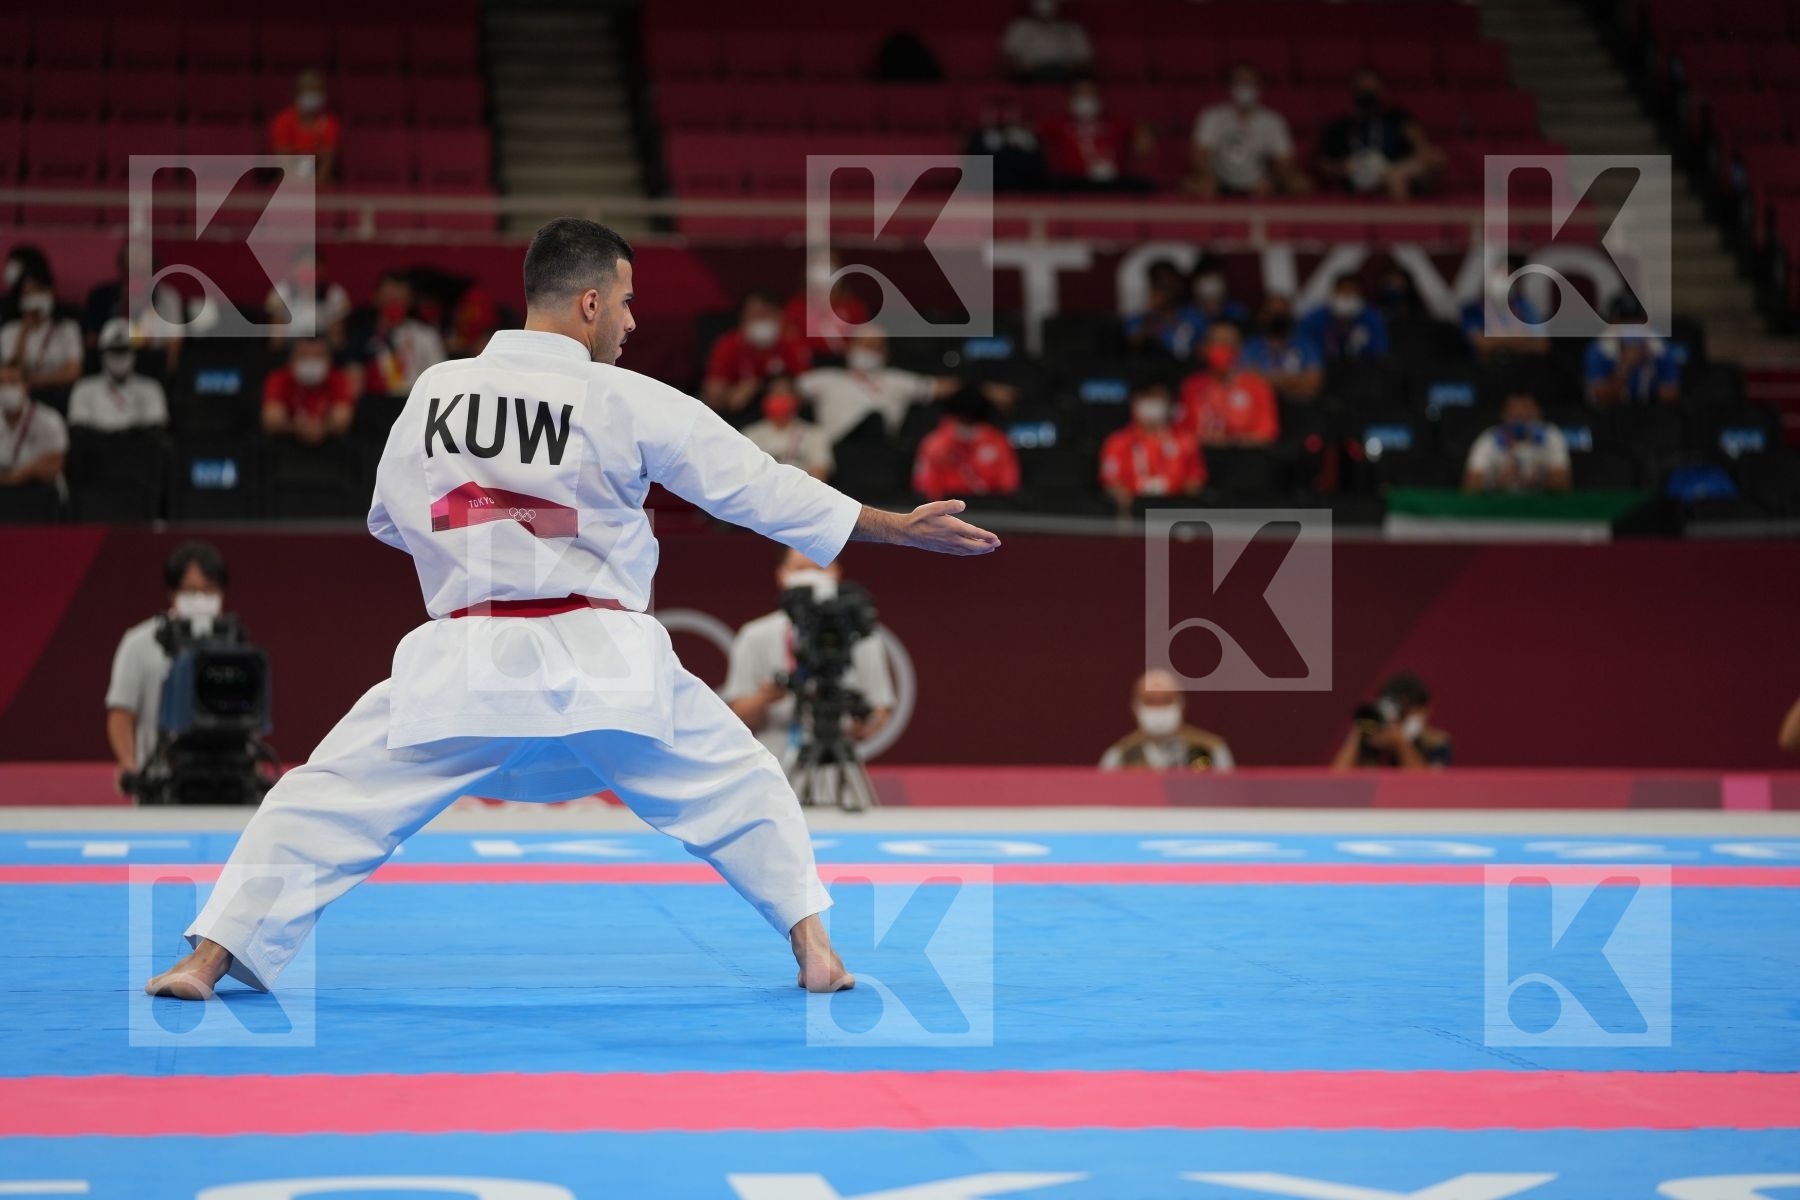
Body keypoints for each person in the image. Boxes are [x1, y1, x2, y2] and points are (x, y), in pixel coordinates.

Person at [144, 217, 1001, 1003]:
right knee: (743, 785)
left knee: (324, 799)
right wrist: (888, 528)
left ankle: (206, 958)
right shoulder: (620, 397)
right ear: (591, 301)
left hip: (465, 661)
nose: (630, 323)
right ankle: (817, 950)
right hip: (608, 663)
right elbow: (754, 484)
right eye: (625, 303)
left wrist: (488, 533)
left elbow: (388, 517)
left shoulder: (438, 389)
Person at [723, 548, 897, 769]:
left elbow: (879, 709)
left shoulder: (861, 636)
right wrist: (765, 697)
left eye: (819, 568)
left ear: (836, 573)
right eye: (800, 569)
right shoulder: (754, 635)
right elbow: (737, 716)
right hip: (773, 765)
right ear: (782, 575)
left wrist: (865, 723)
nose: (810, 577)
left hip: (838, 764)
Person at [105, 542, 229, 796]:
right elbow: (121, 713)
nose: (200, 599)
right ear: (173, 593)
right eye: (191, 590)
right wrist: (130, 766)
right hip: (160, 782)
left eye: (209, 590)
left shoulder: (232, 644)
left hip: (223, 784)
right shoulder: (140, 642)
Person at [794, 328, 1001, 445]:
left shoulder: (896, 380)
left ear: (886, 354)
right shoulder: (826, 378)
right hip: (834, 447)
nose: (867, 351)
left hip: (880, 448)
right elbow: (786, 389)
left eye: (874, 347)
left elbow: (942, 386)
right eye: (863, 345)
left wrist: (987, 390)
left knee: (875, 419)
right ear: (850, 348)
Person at [1315, 68, 1444, 199]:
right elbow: (1323, 164)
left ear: (1381, 91)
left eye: (1372, 91)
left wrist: (1399, 169)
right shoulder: (1340, 126)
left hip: (1394, 170)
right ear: (1353, 92)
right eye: (1363, 91)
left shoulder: (1397, 118)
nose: (1368, 98)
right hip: (1360, 177)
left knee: (1406, 174)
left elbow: (1422, 147)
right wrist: (1341, 168)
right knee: (1395, 180)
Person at [1186, 63, 1308, 197]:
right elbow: (1199, 156)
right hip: (1219, 180)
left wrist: (1273, 180)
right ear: (1230, 85)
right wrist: (1205, 177)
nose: (1245, 86)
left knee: (1300, 184)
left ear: (1259, 86)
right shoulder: (1212, 116)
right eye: (1240, 81)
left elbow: (1285, 161)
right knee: (1200, 187)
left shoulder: (1273, 121)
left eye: (1250, 82)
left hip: (1259, 181)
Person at [1099, 383, 1205, 513]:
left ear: (1168, 403)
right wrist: (1128, 506)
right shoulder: (1118, 441)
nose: (1151, 405)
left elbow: (1196, 479)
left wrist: (1181, 503)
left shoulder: (1186, 441)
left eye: (1156, 399)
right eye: (1146, 399)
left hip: (1174, 508)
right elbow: (1111, 480)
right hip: (1135, 507)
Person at [1100, 669, 1234, 771]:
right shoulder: (1120, 756)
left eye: (1166, 700)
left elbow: (1229, 794)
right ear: (1135, 708)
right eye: (1150, 701)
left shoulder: (1211, 749)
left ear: (1181, 705)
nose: (1158, 708)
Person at [704, 291, 813, 415]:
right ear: (743, 318)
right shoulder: (728, 345)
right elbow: (713, 396)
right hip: (741, 415)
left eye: (766, 314)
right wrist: (735, 393)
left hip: (785, 415)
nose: (761, 320)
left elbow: (808, 389)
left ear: (780, 317)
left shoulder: (792, 342)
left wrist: (779, 389)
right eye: (755, 315)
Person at [1038, 77, 1155, 193]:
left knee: (1143, 185)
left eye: (1090, 95)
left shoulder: (1114, 124)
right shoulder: (1058, 125)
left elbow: (1141, 128)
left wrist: (1143, 137)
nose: (1085, 100)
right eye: (1080, 95)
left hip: (1112, 182)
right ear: (1070, 99)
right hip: (1074, 183)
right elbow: (1032, 131)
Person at [344, 272, 447, 399]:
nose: (395, 303)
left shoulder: (426, 335)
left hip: (414, 402)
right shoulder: (361, 337)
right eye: (390, 298)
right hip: (374, 405)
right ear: (376, 297)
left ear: (409, 301)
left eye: (400, 299)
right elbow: (353, 380)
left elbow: (439, 378)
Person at [1176, 323, 1280, 447]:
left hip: (1244, 459)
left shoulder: (1258, 387)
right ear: (1205, 348)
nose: (1221, 349)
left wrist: (1231, 442)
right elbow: (1181, 432)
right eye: (1214, 342)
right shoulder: (1191, 386)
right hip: (1203, 456)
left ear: (1239, 349)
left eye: (1226, 343)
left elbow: (1266, 434)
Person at [912, 387, 1021, 499]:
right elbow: (923, 487)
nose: (966, 428)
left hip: (988, 509)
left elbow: (1008, 487)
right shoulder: (933, 444)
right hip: (944, 509)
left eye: (971, 423)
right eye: (962, 421)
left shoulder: (999, 443)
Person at [1332, 671, 1451, 769]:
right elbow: (1337, 780)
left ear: (1426, 709)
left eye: (1405, 712)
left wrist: (1401, 744)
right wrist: (1360, 731)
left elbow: (1429, 785)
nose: (1398, 719)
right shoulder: (1370, 737)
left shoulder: (1435, 742)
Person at [67, 319, 168, 432]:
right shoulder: (83, 389)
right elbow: (80, 434)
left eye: (124, 350)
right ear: (102, 354)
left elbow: (155, 432)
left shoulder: (151, 389)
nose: (119, 358)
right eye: (114, 351)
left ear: (135, 354)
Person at [1462, 393, 1572, 494]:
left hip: (1542, 507)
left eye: (1527, 415)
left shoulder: (1551, 436)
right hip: (1499, 507)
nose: (1521, 422)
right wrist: (1495, 482)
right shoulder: (1489, 440)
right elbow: (1469, 485)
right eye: (1516, 415)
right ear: (1504, 416)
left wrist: (1539, 479)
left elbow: (1564, 483)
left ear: (1539, 414)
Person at [1586, 295, 1680, 405]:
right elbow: (1600, 397)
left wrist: (1650, 366)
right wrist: (1624, 368)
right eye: (1625, 322)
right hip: (1612, 414)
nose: (1631, 328)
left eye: (1636, 322)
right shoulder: (1600, 349)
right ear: (1612, 323)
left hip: (1652, 413)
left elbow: (1671, 394)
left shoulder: (1659, 347)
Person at [263, 337, 356, 446]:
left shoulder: (339, 378)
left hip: (330, 447)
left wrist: (322, 427)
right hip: (288, 445)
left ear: (329, 359)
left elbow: (343, 419)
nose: (311, 361)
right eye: (304, 355)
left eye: (318, 355)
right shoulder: (279, 378)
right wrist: (296, 427)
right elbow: (271, 418)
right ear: (292, 358)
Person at [1, 276, 84, 392]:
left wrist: (34, 381)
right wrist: (24, 332)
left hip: (60, 394)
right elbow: (11, 374)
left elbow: (72, 372)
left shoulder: (67, 327)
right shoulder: (9, 330)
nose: (36, 298)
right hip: (22, 395)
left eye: (40, 291)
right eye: (29, 293)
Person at [742, 379, 832, 480]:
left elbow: (819, 473)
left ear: (795, 400)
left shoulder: (814, 434)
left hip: (799, 491)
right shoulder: (751, 433)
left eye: (784, 395)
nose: (779, 400)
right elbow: (746, 473)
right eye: (775, 395)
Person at [783, 254, 871, 356]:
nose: (823, 271)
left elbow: (863, 341)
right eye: (818, 266)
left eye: (829, 266)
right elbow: (790, 340)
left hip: (844, 362)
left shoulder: (854, 307)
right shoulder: (795, 307)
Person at [0, 361, 68, 493]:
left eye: (13, 382)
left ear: (26, 386)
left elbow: (54, 465)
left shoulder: (50, 419)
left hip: (42, 495)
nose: (6, 388)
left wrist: (21, 474)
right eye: (1, 383)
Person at [1242, 295, 1324, 403]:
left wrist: (1267, 380)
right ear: (1262, 316)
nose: (1277, 317)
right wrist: (1293, 380)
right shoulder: (1251, 347)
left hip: (1299, 408)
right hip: (1260, 406)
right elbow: (1246, 383)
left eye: (1281, 313)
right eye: (1272, 312)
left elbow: (1313, 384)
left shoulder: (1306, 345)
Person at [963, 93, 1048, 193]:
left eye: (1010, 112)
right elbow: (972, 172)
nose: (1000, 116)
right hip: (987, 191)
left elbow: (1038, 170)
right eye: (991, 112)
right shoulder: (977, 137)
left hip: (1022, 190)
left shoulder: (1025, 137)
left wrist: (1021, 146)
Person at [1465, 257, 1548, 359]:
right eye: (1498, 278)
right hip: (1486, 370)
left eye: (1508, 277)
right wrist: (1520, 339)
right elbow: (1482, 345)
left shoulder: (1525, 306)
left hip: (1524, 366)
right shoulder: (1472, 309)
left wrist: (1498, 339)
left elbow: (1541, 345)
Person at [1123, 260, 1208, 361]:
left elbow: (1204, 347)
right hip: (1151, 368)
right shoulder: (1138, 319)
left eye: (1170, 282)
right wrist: (1152, 313)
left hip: (1187, 367)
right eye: (1160, 284)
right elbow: (1134, 344)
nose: (1167, 289)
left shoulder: (1195, 315)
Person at [267, 249, 351, 349]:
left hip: (322, 348)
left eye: (312, 267)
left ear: (321, 269)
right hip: (290, 348)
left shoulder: (335, 294)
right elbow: (277, 339)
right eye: (303, 267)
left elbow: (337, 339)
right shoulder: (280, 292)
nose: (307, 272)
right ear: (292, 268)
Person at [268, 69, 341, 182]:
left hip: (319, 181)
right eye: (308, 90)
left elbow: (327, 165)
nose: (312, 95)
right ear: (297, 93)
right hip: (288, 178)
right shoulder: (283, 121)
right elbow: (284, 162)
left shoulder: (330, 123)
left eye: (316, 90)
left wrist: (316, 184)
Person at [1298, 274, 1390, 363]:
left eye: (1352, 290)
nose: (1347, 294)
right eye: (1343, 290)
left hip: (1362, 368)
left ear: (1359, 293)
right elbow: (1303, 343)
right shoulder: (1316, 316)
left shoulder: (1371, 317)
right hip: (1323, 367)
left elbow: (1380, 348)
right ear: (1334, 291)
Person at [1000, 0, 1093, 83]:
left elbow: (1085, 61)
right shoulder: (1019, 27)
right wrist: (1023, 69)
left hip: (1067, 77)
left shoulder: (1072, 29)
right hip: (1029, 77)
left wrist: (1074, 68)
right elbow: (1010, 62)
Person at [1189, 255, 1250, 328]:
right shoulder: (1186, 315)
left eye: (1215, 280)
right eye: (1207, 278)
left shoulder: (1238, 312)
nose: (1211, 286)